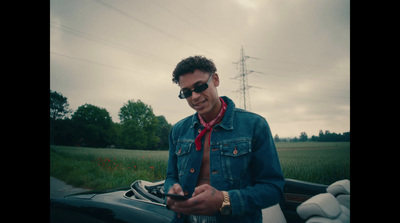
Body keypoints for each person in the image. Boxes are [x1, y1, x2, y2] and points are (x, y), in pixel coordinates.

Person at [164, 55, 284, 223]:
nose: (195, 97)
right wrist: (171, 191)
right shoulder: (178, 131)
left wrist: (225, 200)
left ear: (216, 79)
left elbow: (273, 189)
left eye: (200, 86)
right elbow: (171, 177)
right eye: (187, 92)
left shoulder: (255, 125)